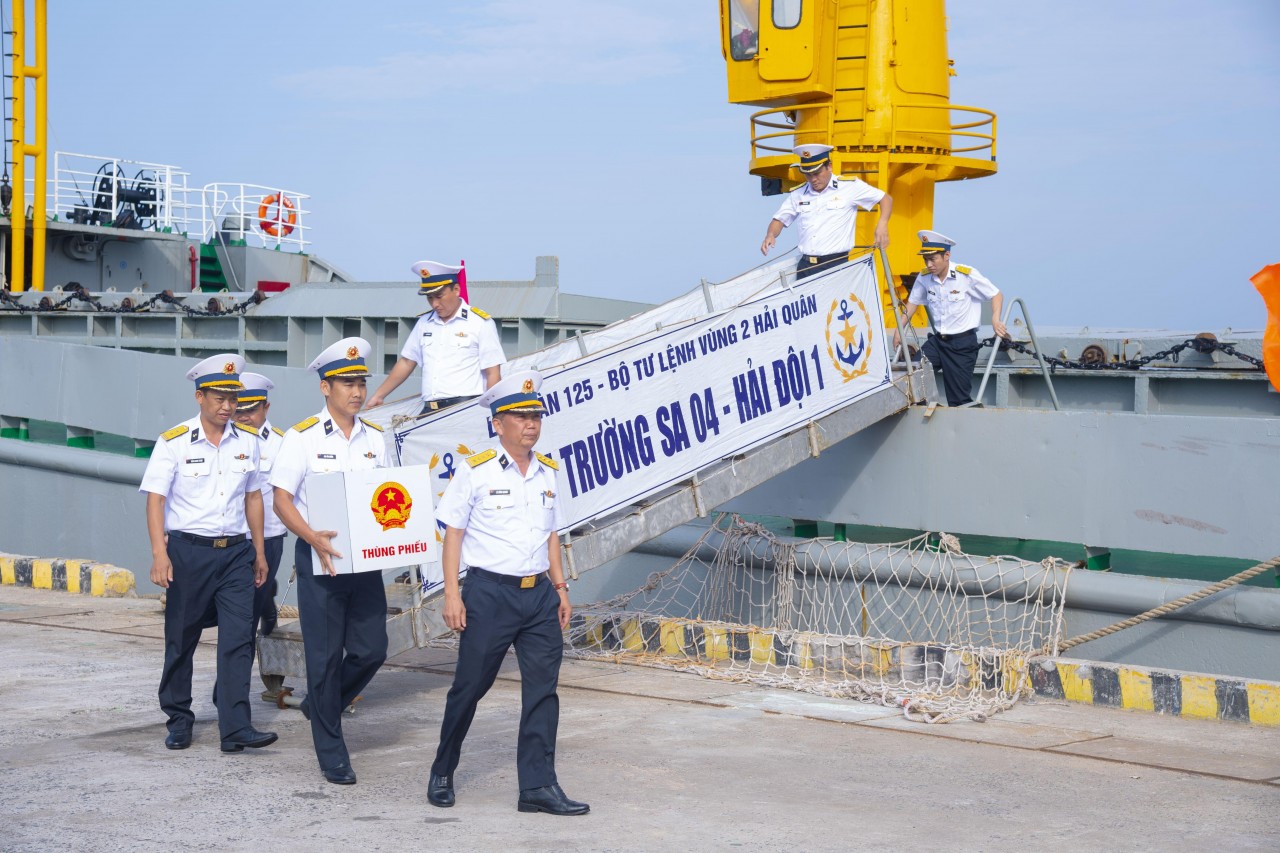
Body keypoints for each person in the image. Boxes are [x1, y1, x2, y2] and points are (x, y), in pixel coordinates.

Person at [426, 369, 587, 816]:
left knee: (542, 691)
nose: (531, 423)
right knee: (469, 687)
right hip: (488, 594)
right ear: (498, 423)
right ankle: (443, 769)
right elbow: (453, 533)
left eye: (536, 415)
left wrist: (561, 587)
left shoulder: (548, 473)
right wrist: (452, 594)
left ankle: (537, 786)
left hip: (538, 598)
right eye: (520, 416)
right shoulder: (474, 472)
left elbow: (551, 535)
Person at [139, 353, 277, 753]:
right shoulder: (174, 442)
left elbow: (253, 497)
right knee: (181, 639)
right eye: (219, 398)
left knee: (239, 639)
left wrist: (259, 551)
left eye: (232, 399)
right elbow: (155, 500)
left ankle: (235, 727)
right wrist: (158, 553)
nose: (227, 406)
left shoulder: (248, 442)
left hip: (235, 553)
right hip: (187, 553)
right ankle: (179, 718)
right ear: (200, 396)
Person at [269, 337, 389, 785]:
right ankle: (332, 753)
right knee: (323, 658)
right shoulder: (301, 438)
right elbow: (282, 501)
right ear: (325, 388)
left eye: (361, 382)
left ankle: (321, 706)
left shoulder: (376, 439)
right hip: (319, 560)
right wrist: (311, 537)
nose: (356, 391)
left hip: (365, 561)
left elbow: (388, 496)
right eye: (346, 383)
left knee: (372, 649)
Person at [368, 260, 506, 414]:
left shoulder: (479, 323)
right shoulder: (424, 323)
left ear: (456, 289)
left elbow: (492, 372)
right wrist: (379, 395)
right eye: (430, 298)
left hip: (465, 409)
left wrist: (494, 411)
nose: (434, 304)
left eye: (439, 296)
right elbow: (407, 362)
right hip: (430, 409)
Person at [891, 230, 1008, 406]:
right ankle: (926, 413)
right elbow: (912, 303)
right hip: (938, 342)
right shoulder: (924, 278)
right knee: (913, 377)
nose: (929, 264)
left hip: (962, 344)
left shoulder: (965, 275)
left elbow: (996, 294)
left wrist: (995, 319)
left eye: (933, 259)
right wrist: (899, 331)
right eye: (926, 260)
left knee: (958, 400)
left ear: (947, 255)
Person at [760, 143, 893, 279]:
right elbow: (779, 219)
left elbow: (885, 199)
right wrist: (770, 235)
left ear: (829, 166)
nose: (813, 179)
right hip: (806, 267)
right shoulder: (798, 193)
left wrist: (882, 224)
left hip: (836, 265)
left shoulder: (849, 187)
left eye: (816, 173)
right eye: (807, 174)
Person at [232, 372, 288, 641]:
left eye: (251, 409)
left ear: (265, 408)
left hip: (268, 536)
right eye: (237, 409)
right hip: (231, 536)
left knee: (247, 612)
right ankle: (266, 602)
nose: (243, 416)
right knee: (241, 607)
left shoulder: (282, 444)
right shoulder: (225, 440)